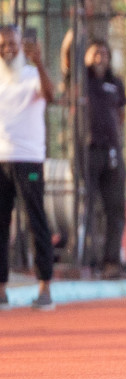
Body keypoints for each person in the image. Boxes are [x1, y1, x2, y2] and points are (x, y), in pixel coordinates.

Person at [60, 34, 126, 278]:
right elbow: (66, 59)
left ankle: (111, 261)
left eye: (105, 54)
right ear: (86, 57)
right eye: (96, 53)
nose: (101, 58)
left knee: (115, 208)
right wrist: (73, 30)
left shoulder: (116, 83)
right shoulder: (79, 80)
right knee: (84, 205)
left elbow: (121, 114)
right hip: (86, 151)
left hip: (111, 152)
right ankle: (83, 258)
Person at [0, 26, 55, 309]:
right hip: (1, 161)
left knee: (36, 221)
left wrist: (40, 63)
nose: (8, 48)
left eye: (13, 44)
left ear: (22, 46)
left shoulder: (32, 74)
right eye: (3, 44)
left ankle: (44, 287)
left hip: (29, 159)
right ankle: (1, 290)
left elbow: (50, 94)